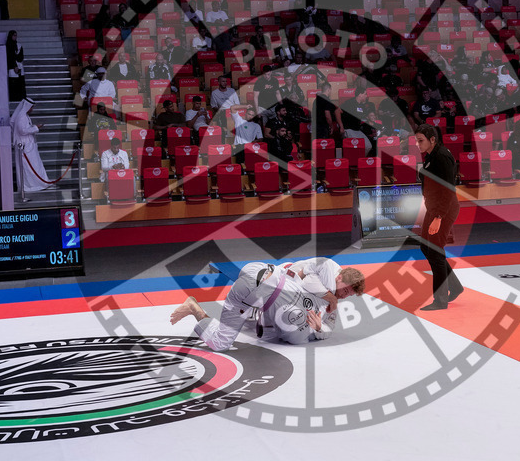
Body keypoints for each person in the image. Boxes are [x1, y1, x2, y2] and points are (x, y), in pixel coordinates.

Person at [169, 258, 366, 351]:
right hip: (266, 281)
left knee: (223, 342)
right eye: (345, 290)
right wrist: (330, 296)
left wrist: (318, 327)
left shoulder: (330, 302)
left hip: (253, 290)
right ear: (339, 277)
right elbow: (307, 274)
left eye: (349, 294)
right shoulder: (326, 273)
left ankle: (194, 308)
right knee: (286, 315)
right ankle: (259, 317)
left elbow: (328, 329)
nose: (344, 296)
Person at [414, 125, 463, 311]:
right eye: (417, 140)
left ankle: (440, 300)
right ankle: (455, 286)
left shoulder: (442, 156)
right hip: (434, 208)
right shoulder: (432, 154)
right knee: (426, 247)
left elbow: (447, 190)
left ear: (432, 139)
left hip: (444, 210)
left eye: (421, 140)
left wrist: (439, 217)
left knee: (434, 250)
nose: (418, 144)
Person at [11, 97, 51, 193]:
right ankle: (31, 186)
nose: (32, 110)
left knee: (35, 165)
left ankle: (39, 183)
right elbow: (22, 131)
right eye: (31, 107)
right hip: (24, 147)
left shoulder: (24, 116)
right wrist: (36, 127)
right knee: (28, 167)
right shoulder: (21, 116)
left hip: (29, 145)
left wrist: (34, 127)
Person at [5, 30, 25, 102]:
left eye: (16, 35)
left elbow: (21, 57)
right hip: (12, 67)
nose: (15, 37)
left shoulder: (19, 45)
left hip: (19, 65)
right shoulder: (8, 45)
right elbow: (9, 57)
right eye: (14, 35)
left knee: (20, 83)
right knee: (13, 83)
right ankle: (14, 98)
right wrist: (14, 65)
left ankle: (20, 98)